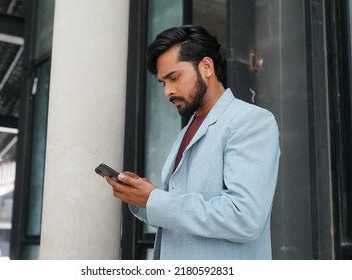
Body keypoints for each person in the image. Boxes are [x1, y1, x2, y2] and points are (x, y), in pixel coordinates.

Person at [105, 25, 280, 260]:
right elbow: (180, 215)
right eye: (162, 83)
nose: (168, 91)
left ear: (206, 67)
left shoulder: (251, 121)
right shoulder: (188, 129)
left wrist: (155, 200)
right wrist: (144, 199)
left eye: (174, 77)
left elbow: (244, 217)